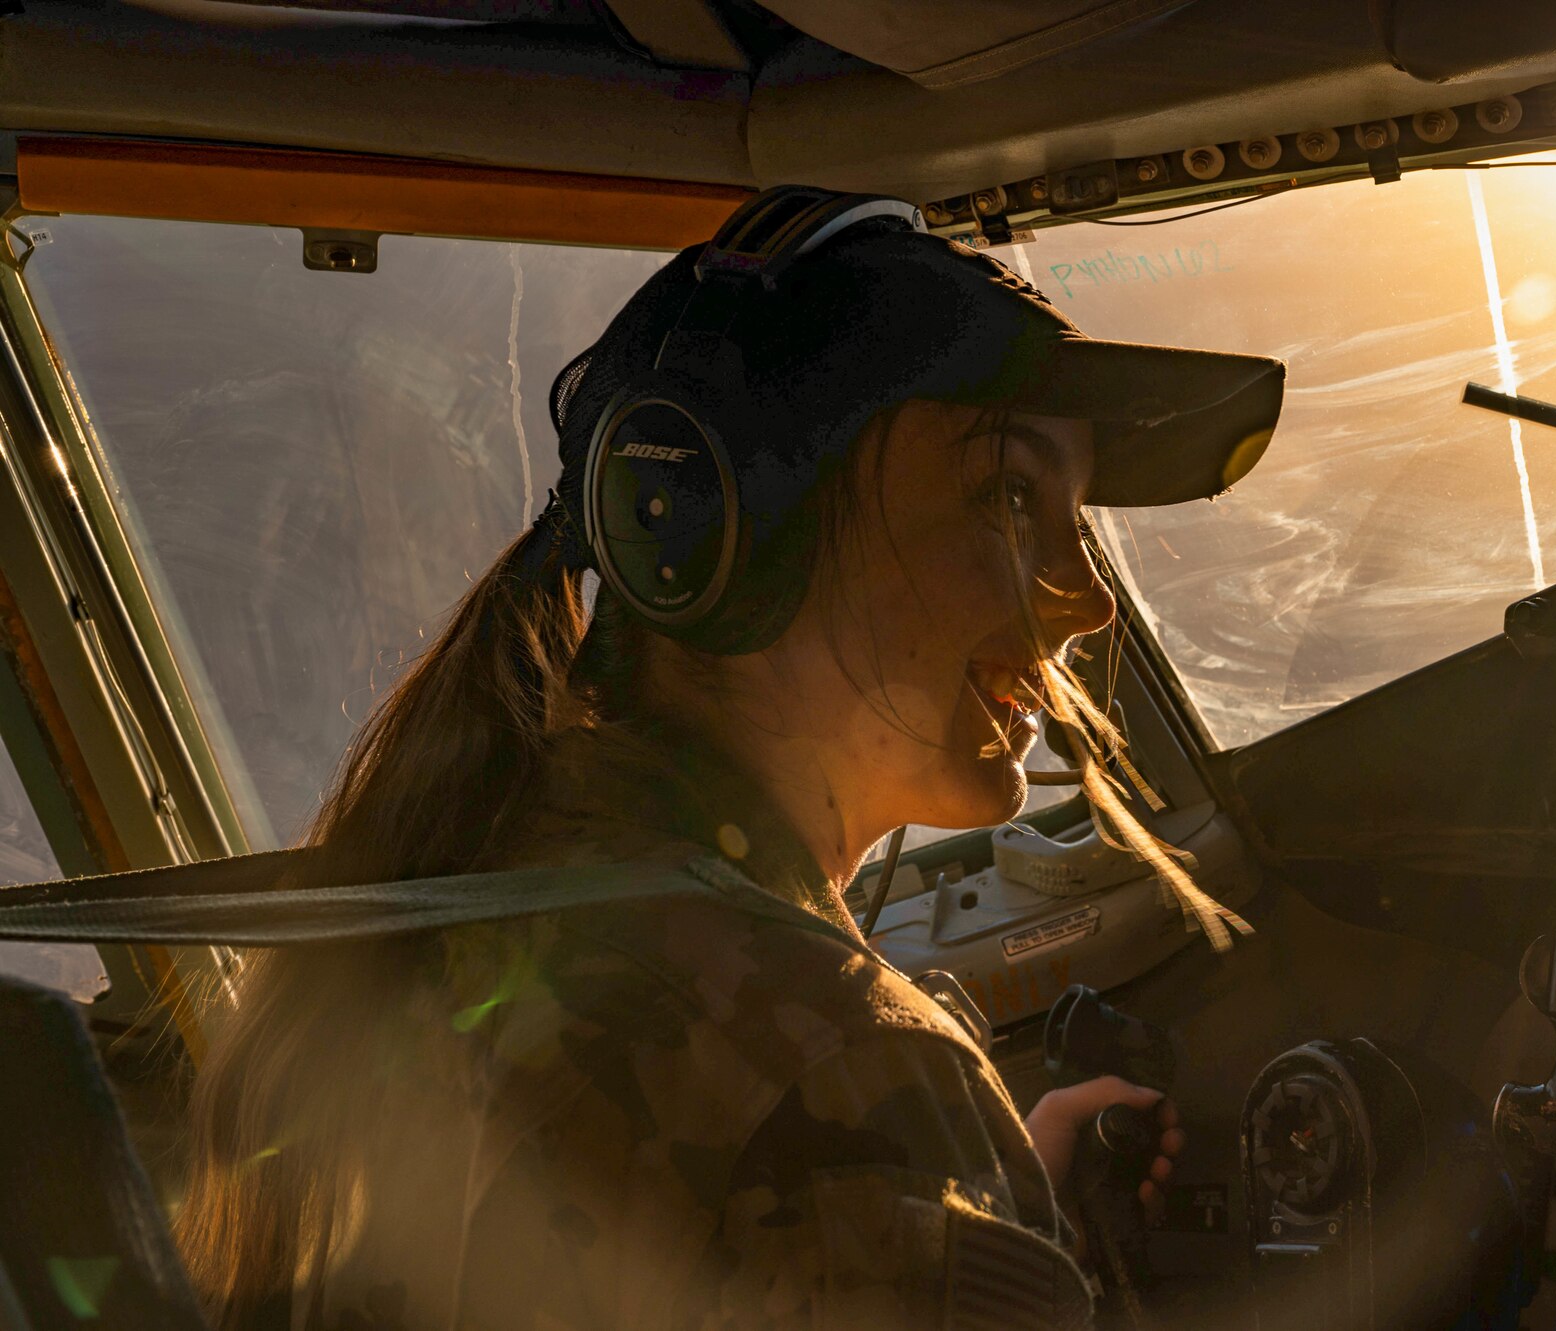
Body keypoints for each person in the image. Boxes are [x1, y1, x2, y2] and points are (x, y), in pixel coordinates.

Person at [171, 188, 1286, 1330]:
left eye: (1074, 516)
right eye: (1005, 496)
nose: (1089, 600)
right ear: (719, 532)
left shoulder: (472, 900)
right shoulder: (833, 1069)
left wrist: (963, 1213)